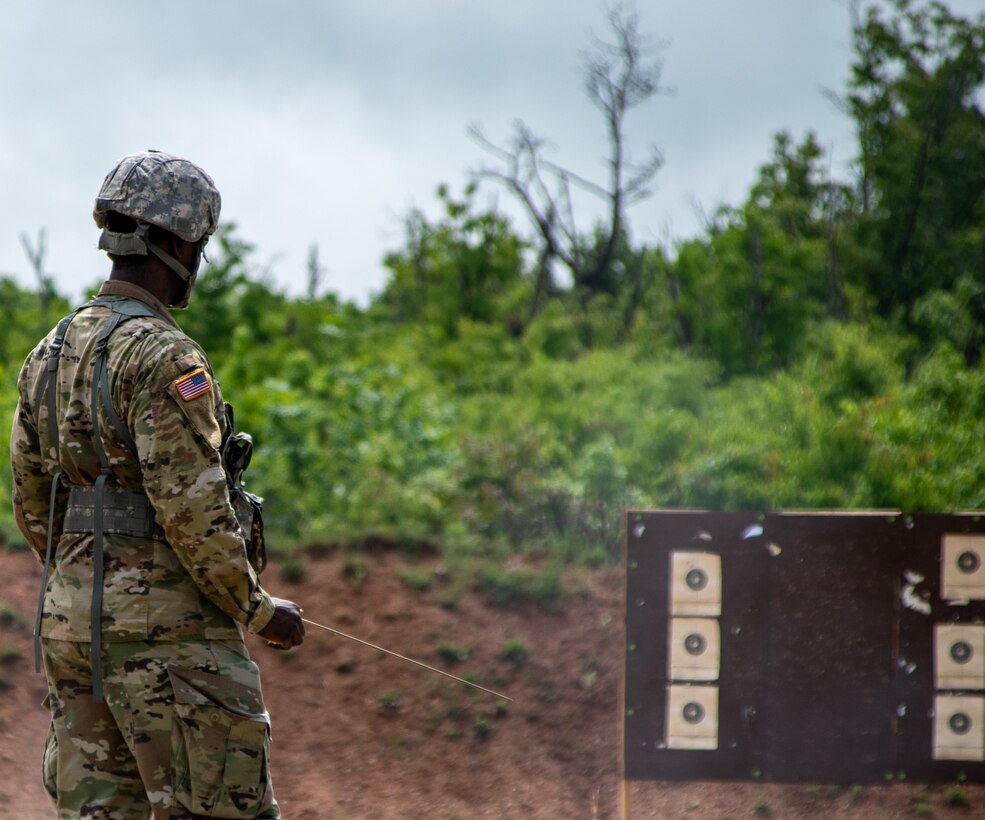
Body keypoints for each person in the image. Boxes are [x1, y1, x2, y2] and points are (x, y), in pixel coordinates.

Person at [9, 150, 305, 819]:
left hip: (71, 633)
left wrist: (82, 582)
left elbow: (31, 501)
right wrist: (258, 610)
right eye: (196, 245)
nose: (196, 261)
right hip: (171, 643)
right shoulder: (166, 356)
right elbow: (194, 511)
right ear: (172, 242)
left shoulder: (48, 354)